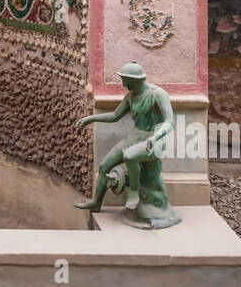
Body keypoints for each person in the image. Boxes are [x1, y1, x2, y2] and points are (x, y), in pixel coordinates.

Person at [75, 62, 181, 229]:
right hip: (134, 137)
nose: (123, 85)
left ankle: (133, 191)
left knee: (129, 156)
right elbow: (115, 116)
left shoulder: (157, 94)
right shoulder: (131, 96)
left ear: (136, 80)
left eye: (125, 81)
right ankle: (96, 203)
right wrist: (91, 118)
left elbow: (170, 121)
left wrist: (157, 136)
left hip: (152, 141)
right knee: (104, 167)